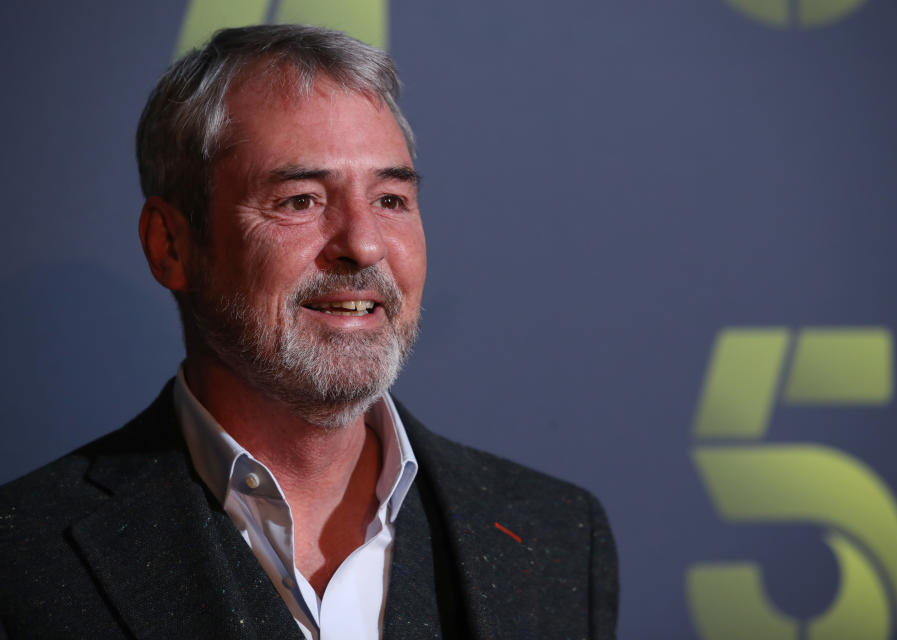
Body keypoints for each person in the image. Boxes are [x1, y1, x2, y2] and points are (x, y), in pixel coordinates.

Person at [0, 25, 618, 639]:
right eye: (300, 200)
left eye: (392, 199)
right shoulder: (24, 557)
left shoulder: (555, 539)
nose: (365, 244)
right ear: (171, 246)